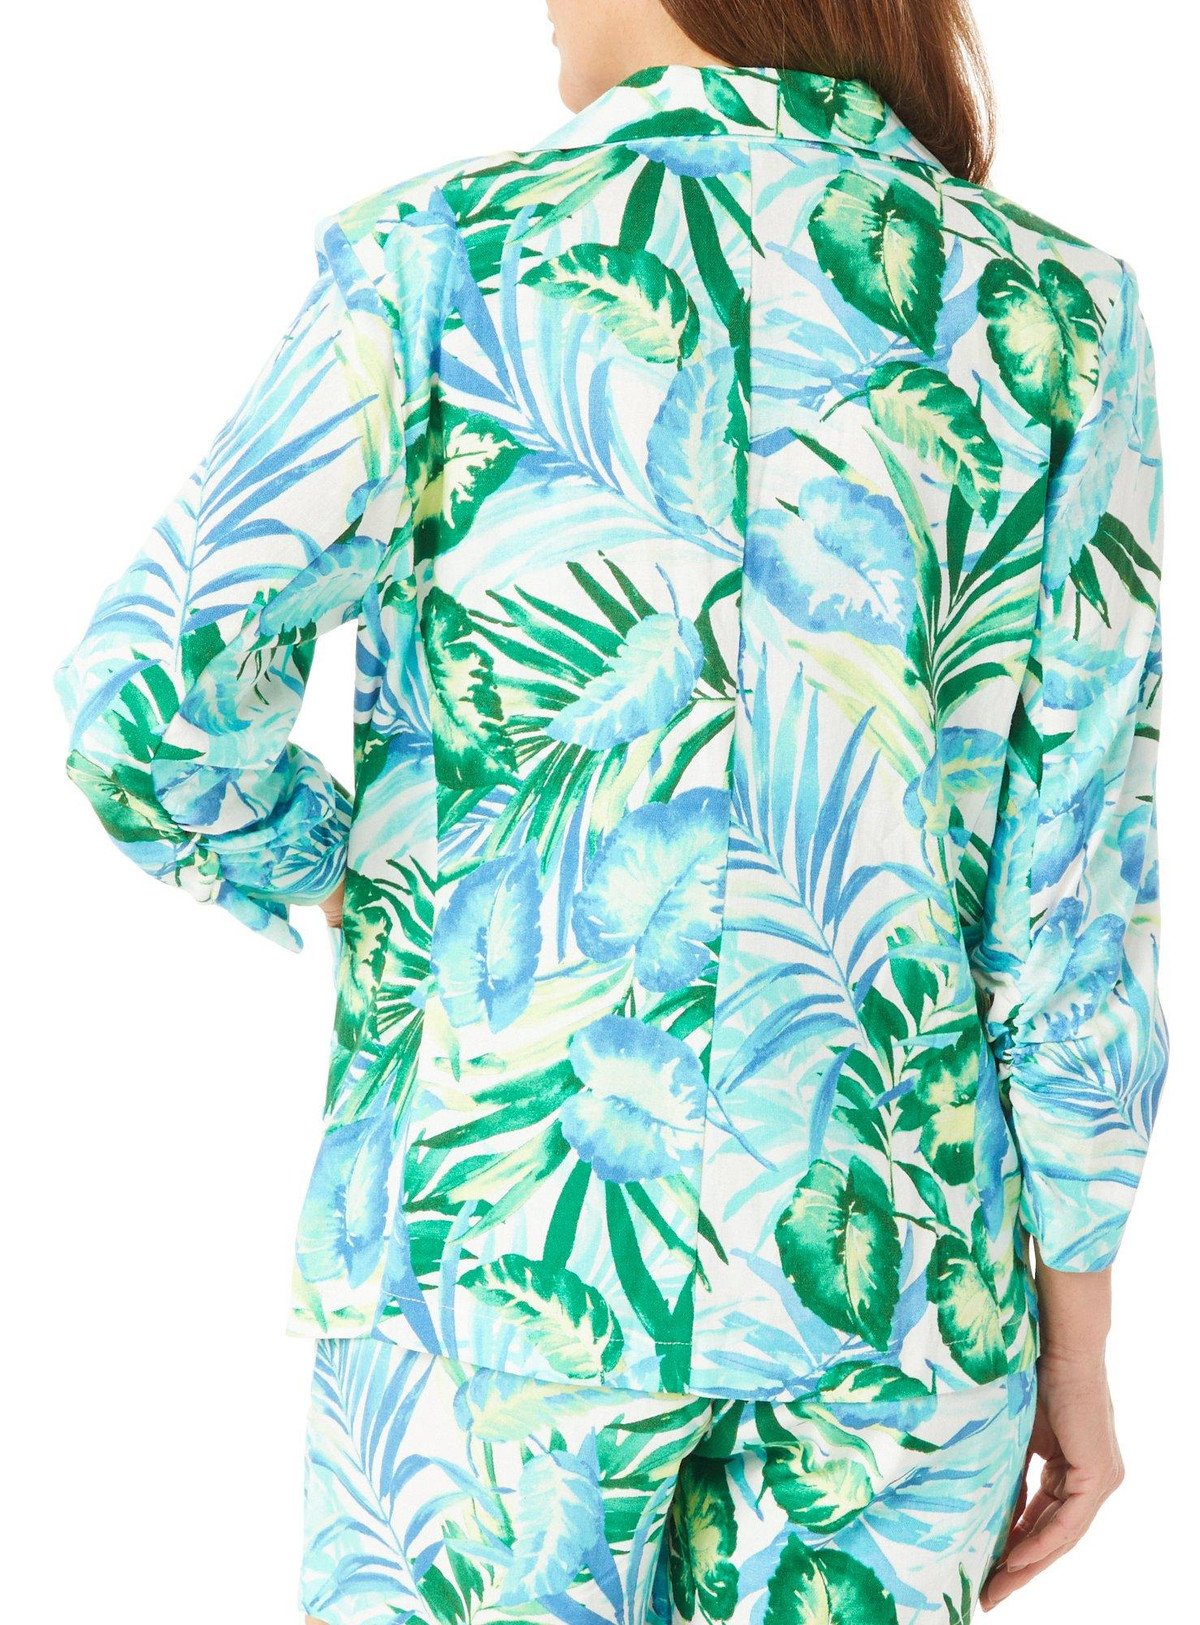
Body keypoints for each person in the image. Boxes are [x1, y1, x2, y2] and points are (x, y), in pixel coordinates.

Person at [54, 0, 1167, 1620]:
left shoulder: (442, 257)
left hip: (496, 1253)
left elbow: (147, 699)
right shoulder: (1058, 315)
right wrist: (1078, 1335)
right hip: (901, 1280)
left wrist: (346, 875)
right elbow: (1072, 888)